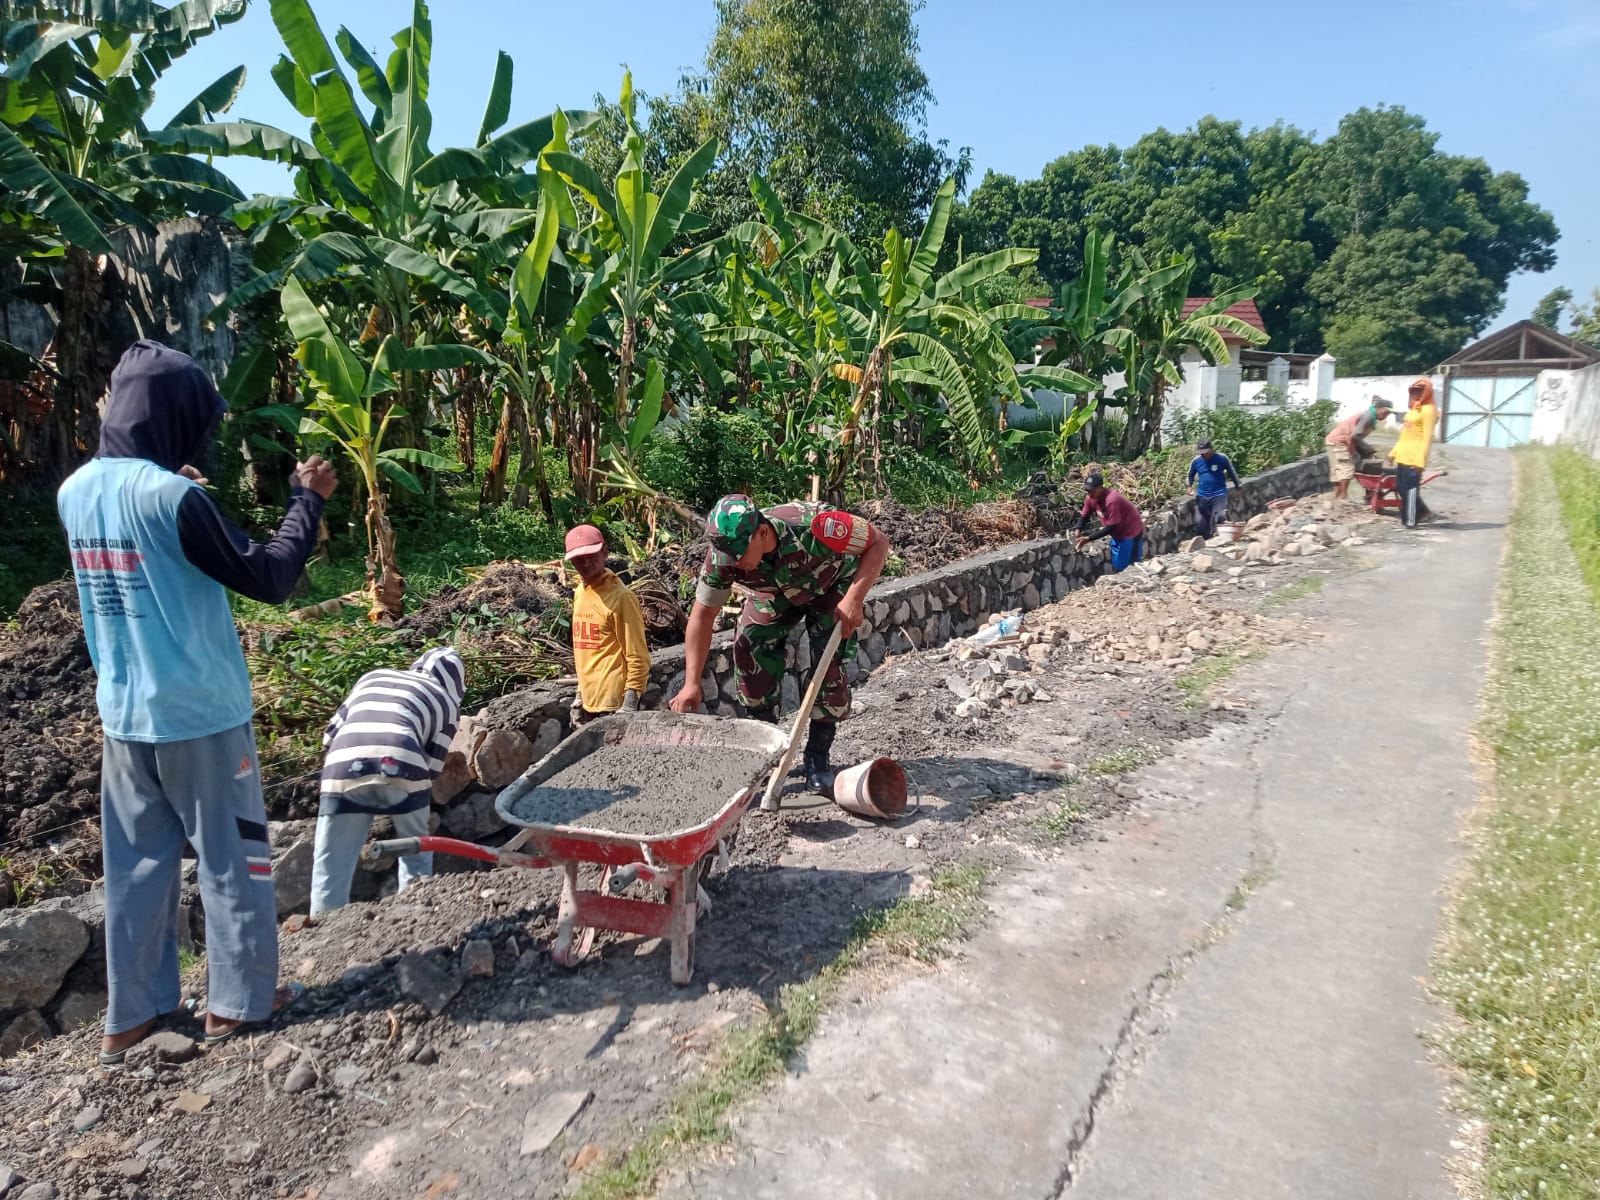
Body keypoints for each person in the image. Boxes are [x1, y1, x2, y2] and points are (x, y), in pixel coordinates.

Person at [55, 341, 334, 1062]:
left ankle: (134, 1013)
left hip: (123, 713)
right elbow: (268, 577)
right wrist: (307, 501)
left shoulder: (76, 490)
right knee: (231, 857)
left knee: (138, 865)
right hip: (200, 714)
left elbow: (139, 535)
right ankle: (240, 1001)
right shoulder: (175, 499)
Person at [668, 496, 891, 793]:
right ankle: (767, 751)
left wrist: (854, 598)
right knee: (749, 644)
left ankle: (817, 758)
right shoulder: (723, 556)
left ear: (761, 533)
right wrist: (691, 683)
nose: (732, 563)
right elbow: (703, 615)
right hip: (774, 593)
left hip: (831, 586)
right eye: (727, 556)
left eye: (738, 554)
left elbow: (879, 542)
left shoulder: (815, 524)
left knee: (828, 661)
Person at [309, 647, 465, 915]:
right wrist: (397, 791)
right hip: (403, 759)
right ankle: (415, 916)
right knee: (415, 851)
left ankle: (321, 931)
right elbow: (432, 768)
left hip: (342, 761)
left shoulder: (373, 677)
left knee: (331, 862)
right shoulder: (446, 702)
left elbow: (329, 735)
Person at [565, 524, 650, 727]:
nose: (585, 563)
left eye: (591, 556)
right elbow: (587, 652)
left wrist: (629, 705)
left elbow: (638, 655)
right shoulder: (580, 592)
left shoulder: (621, 598)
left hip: (614, 704)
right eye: (578, 558)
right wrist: (580, 695)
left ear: (605, 552)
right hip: (590, 701)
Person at [1388, 379, 1439, 526]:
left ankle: (1410, 520)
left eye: (1420, 390)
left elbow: (1427, 437)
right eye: (1414, 390)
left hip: (1414, 458)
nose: (1416, 393)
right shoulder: (1413, 409)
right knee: (1400, 486)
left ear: (1427, 392)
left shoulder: (1429, 410)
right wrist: (1393, 453)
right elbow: (1404, 435)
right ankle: (1422, 512)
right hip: (1403, 456)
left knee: (1410, 489)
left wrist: (1420, 461)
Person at [1325, 397, 1396, 501]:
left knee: (1337, 470)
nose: (1386, 416)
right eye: (1385, 412)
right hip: (1340, 441)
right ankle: (1343, 498)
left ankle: (1337, 498)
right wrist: (1365, 450)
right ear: (1378, 408)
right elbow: (1355, 436)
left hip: (1332, 440)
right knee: (1346, 469)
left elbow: (1356, 437)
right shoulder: (1368, 416)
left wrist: (1367, 452)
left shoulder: (1370, 416)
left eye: (1388, 414)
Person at [1075, 472, 1146, 571]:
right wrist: (1078, 529)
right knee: (1118, 564)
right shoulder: (1090, 498)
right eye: (1087, 490)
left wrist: (1088, 538)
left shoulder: (1112, 500)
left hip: (1131, 530)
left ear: (1100, 488)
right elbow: (1084, 516)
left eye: (1092, 490)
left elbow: (1111, 527)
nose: (1090, 493)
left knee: (1131, 565)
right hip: (1117, 533)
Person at [1186, 439, 1242, 538]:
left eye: (1205, 452)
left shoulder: (1222, 458)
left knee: (1220, 517)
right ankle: (1204, 542)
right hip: (1202, 496)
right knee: (1200, 522)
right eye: (1201, 452)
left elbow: (1232, 472)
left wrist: (1238, 486)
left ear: (1211, 449)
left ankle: (1224, 539)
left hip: (1219, 494)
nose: (1203, 454)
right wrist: (1189, 486)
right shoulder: (1196, 461)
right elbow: (1190, 475)